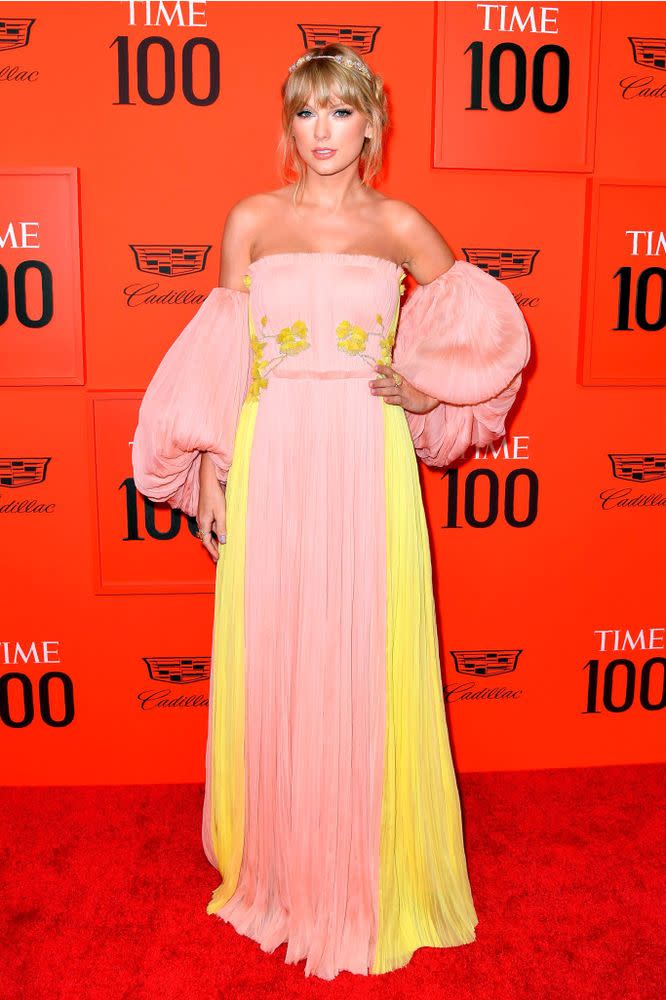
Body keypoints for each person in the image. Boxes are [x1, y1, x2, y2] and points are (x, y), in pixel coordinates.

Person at [131, 42, 531, 980]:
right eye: (306, 114)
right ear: (289, 124)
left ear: (370, 123)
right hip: (275, 455)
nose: (322, 133)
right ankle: (285, 859)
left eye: (340, 113)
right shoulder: (251, 221)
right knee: (282, 648)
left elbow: (488, 329)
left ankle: (365, 863)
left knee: (360, 646)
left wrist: (434, 393)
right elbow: (225, 355)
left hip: (364, 453)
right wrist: (214, 472)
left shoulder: (399, 223)